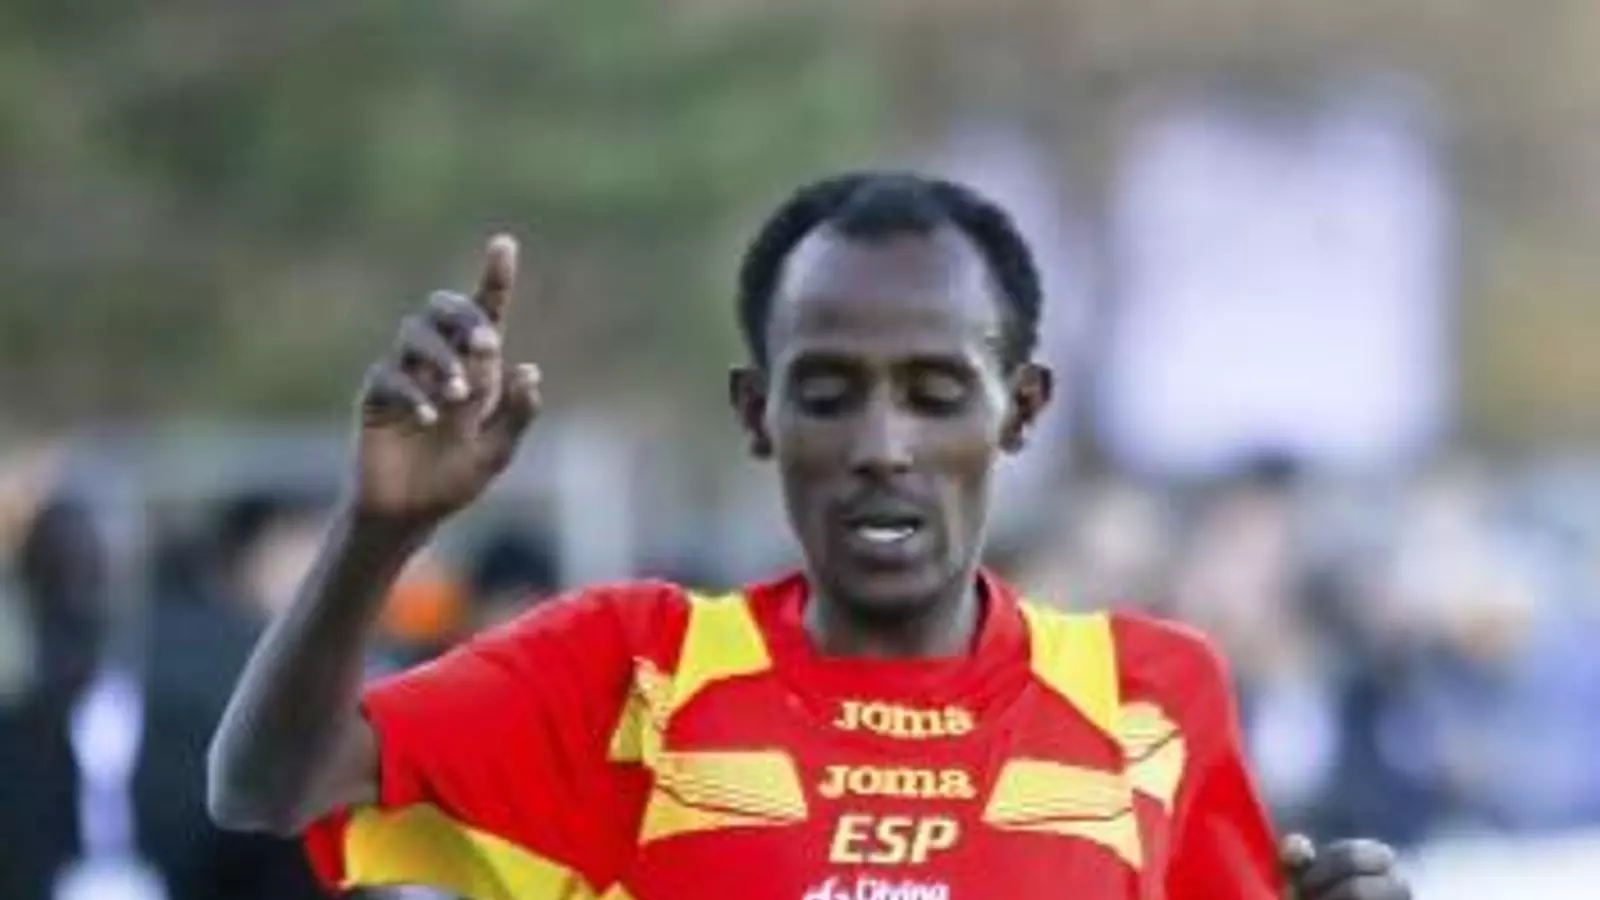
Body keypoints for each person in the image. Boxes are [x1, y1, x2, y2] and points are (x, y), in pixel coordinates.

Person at [207, 172, 1410, 900]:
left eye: (935, 393)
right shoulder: (630, 672)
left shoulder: (1151, 693)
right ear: (757, 415)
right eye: (828, 393)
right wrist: (378, 530)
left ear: (1020, 410)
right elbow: (266, 787)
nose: (881, 445)